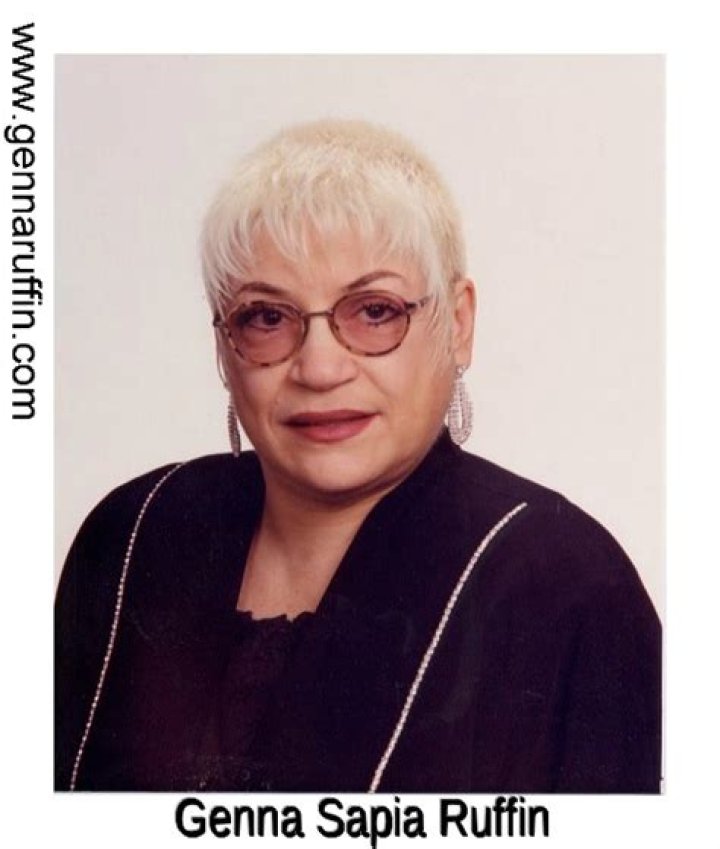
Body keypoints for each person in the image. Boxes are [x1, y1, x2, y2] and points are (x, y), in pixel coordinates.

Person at [55, 119, 661, 793]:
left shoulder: (566, 586)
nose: (319, 368)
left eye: (374, 311)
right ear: (224, 344)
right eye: (267, 317)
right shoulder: (132, 534)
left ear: (458, 323)